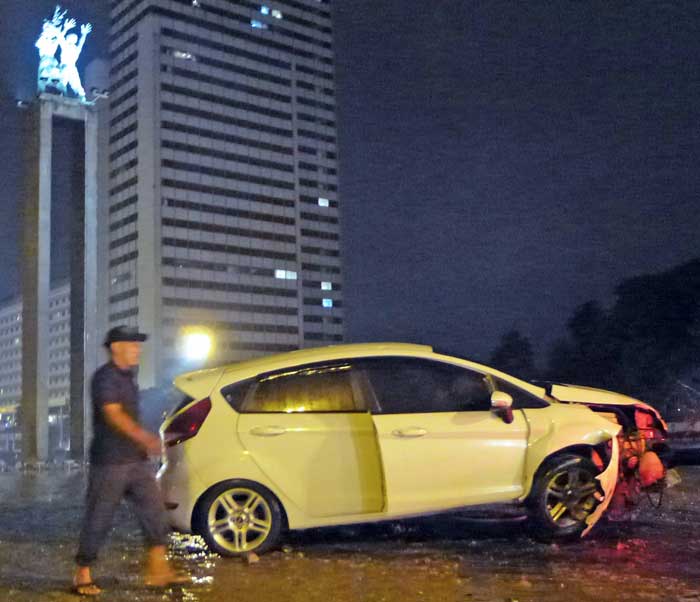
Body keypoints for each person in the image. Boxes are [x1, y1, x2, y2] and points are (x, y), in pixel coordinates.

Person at [72, 325, 188, 596]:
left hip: (135, 461)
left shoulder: (128, 378)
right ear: (116, 348)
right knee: (99, 517)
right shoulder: (105, 378)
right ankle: (82, 574)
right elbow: (113, 415)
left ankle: (158, 571)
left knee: (155, 512)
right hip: (110, 461)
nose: (138, 350)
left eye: (138, 345)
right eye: (132, 345)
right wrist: (146, 439)